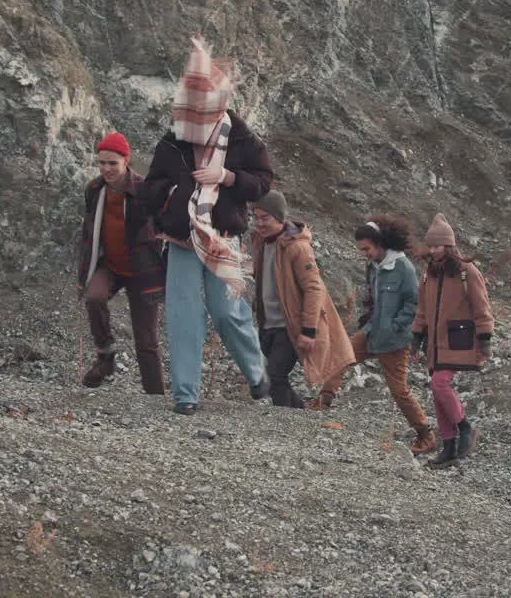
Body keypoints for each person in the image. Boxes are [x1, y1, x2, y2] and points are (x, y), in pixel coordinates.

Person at [141, 37, 274, 416]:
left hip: (224, 237)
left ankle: (256, 372)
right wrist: (168, 194)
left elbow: (263, 182)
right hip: (182, 239)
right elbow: (150, 188)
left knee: (227, 310)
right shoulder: (172, 142)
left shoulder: (244, 139)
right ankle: (186, 394)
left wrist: (227, 177)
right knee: (183, 315)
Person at [318, 215, 436, 454]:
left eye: (366, 248)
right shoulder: (373, 267)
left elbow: (415, 301)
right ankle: (322, 402)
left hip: (394, 340)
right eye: (361, 249)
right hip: (372, 331)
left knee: (399, 390)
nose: (364, 253)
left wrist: (396, 326)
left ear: (380, 244)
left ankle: (426, 435)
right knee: (343, 354)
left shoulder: (403, 267)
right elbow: (372, 298)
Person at [76, 131, 167, 394]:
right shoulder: (94, 190)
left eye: (112, 163)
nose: (106, 168)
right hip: (112, 266)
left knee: (146, 339)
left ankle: (155, 396)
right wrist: (85, 269)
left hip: (142, 272)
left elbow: (161, 226)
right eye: (102, 162)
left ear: (126, 161)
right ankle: (106, 358)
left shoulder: (143, 190)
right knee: (94, 297)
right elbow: (89, 233)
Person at [250, 191, 355, 408]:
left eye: (264, 218)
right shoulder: (261, 243)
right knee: (264, 376)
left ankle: (290, 417)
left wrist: (308, 330)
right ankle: (298, 414)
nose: (259, 223)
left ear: (278, 218)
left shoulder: (297, 247)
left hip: (289, 326)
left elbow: (314, 288)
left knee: (274, 375)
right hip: (268, 323)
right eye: (256, 217)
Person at [412, 213, 494, 468]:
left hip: (458, 339)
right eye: (432, 246)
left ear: (450, 245)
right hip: (434, 344)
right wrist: (416, 338)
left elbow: (482, 307)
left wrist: (485, 340)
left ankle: (464, 427)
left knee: (439, 384)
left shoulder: (467, 272)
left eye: (439, 246)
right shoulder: (429, 275)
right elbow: (422, 310)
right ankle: (448, 446)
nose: (434, 250)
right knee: (437, 392)